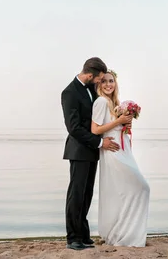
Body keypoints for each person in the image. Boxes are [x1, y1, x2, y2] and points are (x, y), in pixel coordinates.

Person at [60, 57, 122, 251]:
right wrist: (99, 142)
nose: (100, 82)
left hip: (93, 150)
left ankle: (84, 235)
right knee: (76, 195)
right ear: (90, 74)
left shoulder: (91, 91)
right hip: (79, 150)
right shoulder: (69, 92)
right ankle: (73, 238)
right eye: (99, 79)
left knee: (87, 194)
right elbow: (74, 128)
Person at [91, 69, 150, 247]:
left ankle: (124, 232)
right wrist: (118, 122)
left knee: (124, 192)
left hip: (123, 149)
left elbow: (114, 126)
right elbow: (95, 130)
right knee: (140, 187)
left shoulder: (113, 102)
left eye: (111, 81)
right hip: (113, 151)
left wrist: (126, 123)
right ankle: (121, 233)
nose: (109, 84)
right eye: (104, 81)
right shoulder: (101, 101)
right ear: (99, 85)